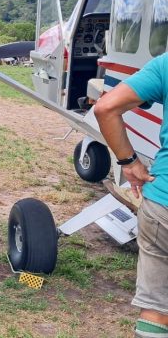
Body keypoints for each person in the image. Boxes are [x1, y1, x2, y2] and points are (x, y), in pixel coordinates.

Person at [94, 54, 168, 338]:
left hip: (162, 202)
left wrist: (129, 162)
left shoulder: (164, 64)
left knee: (156, 307)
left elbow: (106, 107)